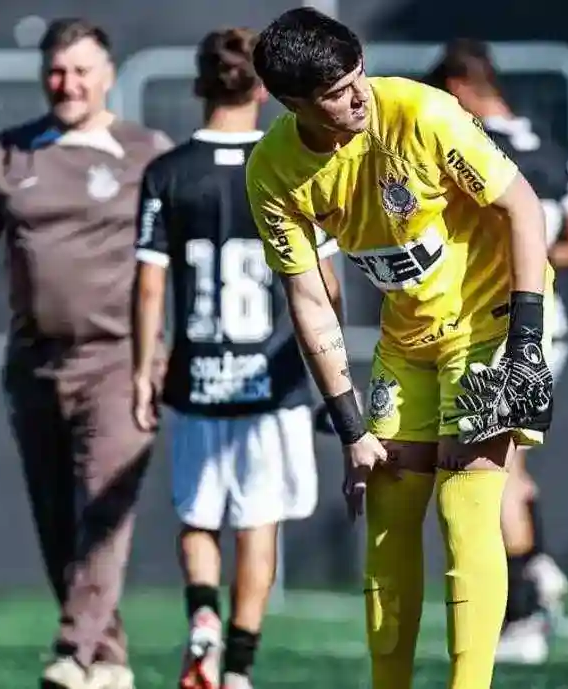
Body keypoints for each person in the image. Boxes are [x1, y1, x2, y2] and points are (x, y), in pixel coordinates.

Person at [245, 9, 556, 689]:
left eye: (360, 77)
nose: (360, 97)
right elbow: (307, 298)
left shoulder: (422, 112)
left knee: (465, 501)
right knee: (387, 515)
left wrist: (525, 347)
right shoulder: (272, 170)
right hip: (407, 338)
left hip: (491, 319)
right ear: (293, 103)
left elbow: (523, 207)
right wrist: (351, 425)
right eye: (337, 92)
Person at [0, 17, 171, 689]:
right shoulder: (11, 152)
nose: (67, 84)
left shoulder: (146, 151)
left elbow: (183, 253)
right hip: (33, 362)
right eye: (56, 72)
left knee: (102, 506)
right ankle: (109, 658)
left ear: (109, 74)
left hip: (121, 359)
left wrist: (176, 346)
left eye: (81, 71)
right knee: (58, 519)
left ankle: (71, 649)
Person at [131, 27, 343, 689]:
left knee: (198, 516)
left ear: (200, 83)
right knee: (258, 523)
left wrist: (146, 366)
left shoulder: (167, 171)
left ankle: (203, 618)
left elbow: (148, 283)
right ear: (264, 87)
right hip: (272, 378)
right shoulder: (298, 162)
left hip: (197, 376)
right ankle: (241, 668)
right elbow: (327, 287)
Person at [426, 38, 568, 665]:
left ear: (457, 87)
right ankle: (540, 567)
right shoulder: (556, 153)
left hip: (498, 324)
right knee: (510, 465)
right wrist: (538, 262)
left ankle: (524, 610)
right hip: (550, 326)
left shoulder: (472, 151)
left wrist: (509, 263)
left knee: (489, 472)